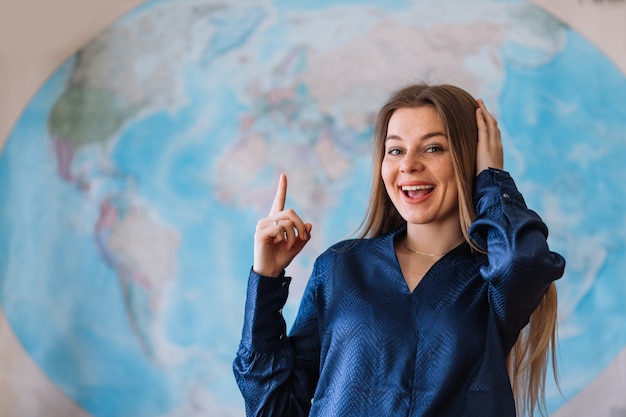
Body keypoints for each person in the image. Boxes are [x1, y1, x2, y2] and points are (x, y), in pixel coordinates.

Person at [233, 83, 566, 417]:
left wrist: (493, 178)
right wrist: (266, 279)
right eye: (395, 150)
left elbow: (525, 261)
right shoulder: (340, 267)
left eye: (433, 148)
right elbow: (273, 409)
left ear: (471, 158)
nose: (409, 165)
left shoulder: (493, 279)